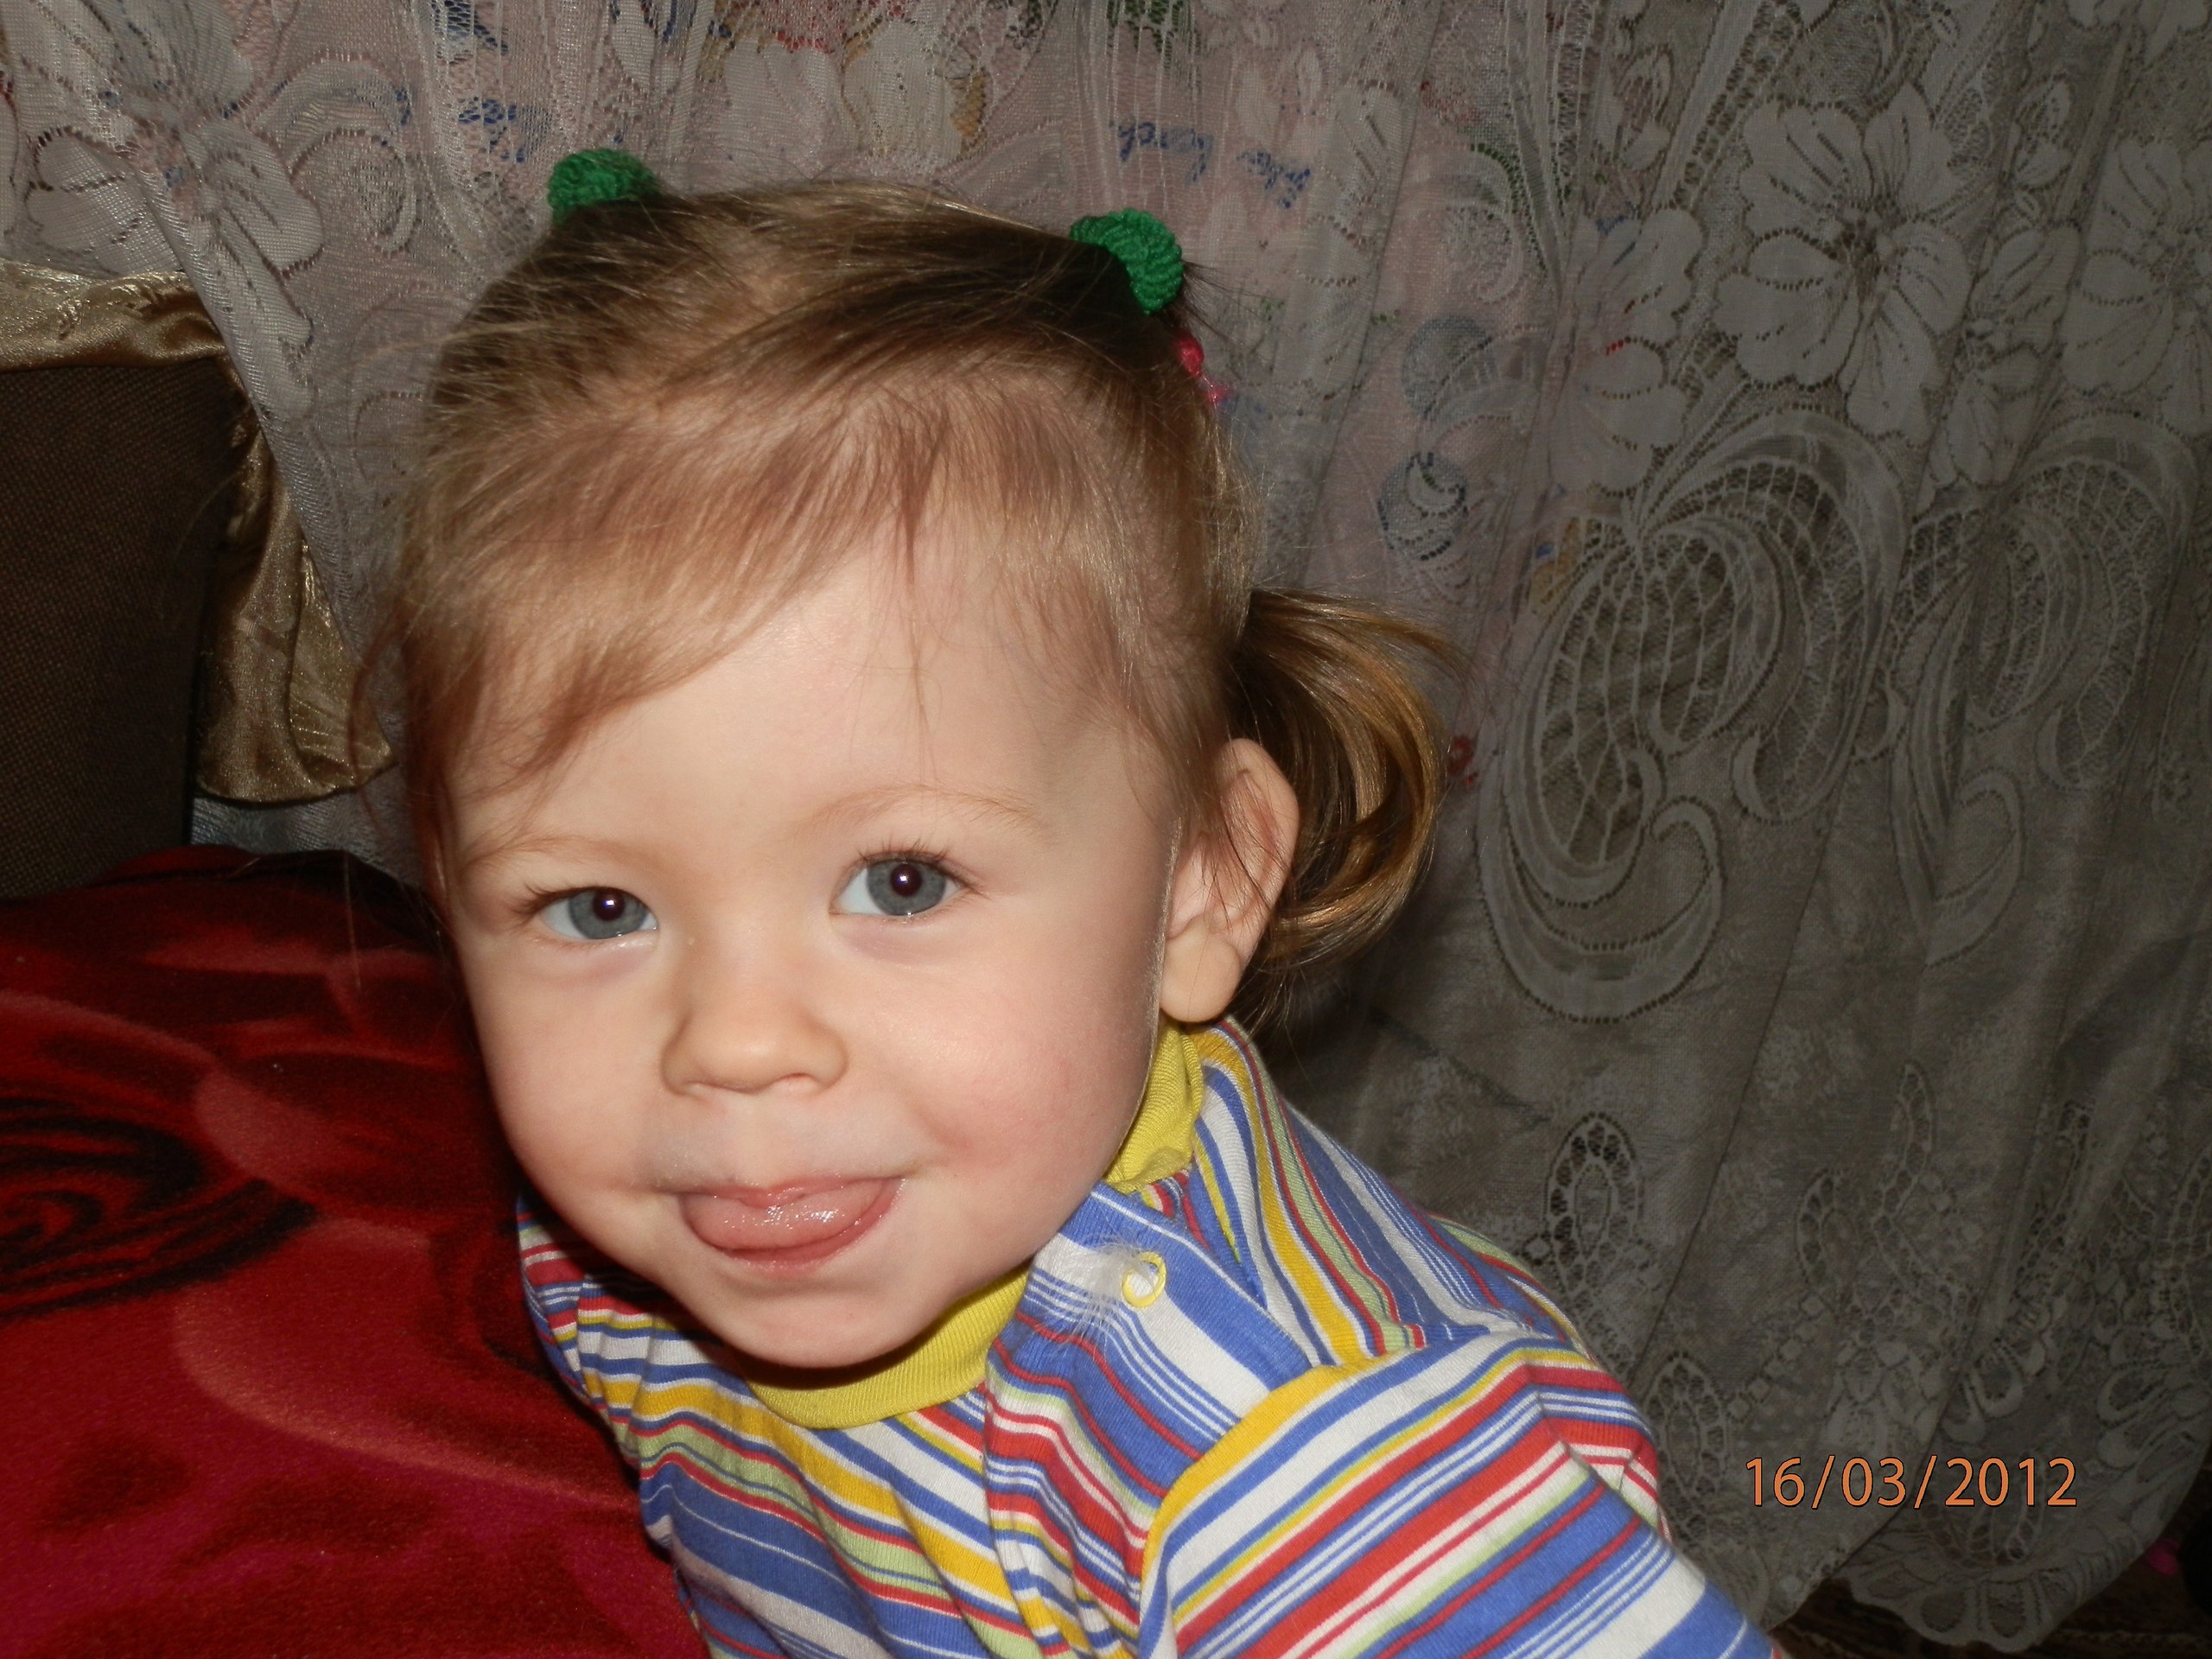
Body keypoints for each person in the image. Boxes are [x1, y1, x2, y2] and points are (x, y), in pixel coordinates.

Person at [382, 148, 1776, 1659]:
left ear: (1204, 883)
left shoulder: (1294, 1469)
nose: (730, 1044)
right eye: (599, 909)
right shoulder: (661, 1221)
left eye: (902, 882)